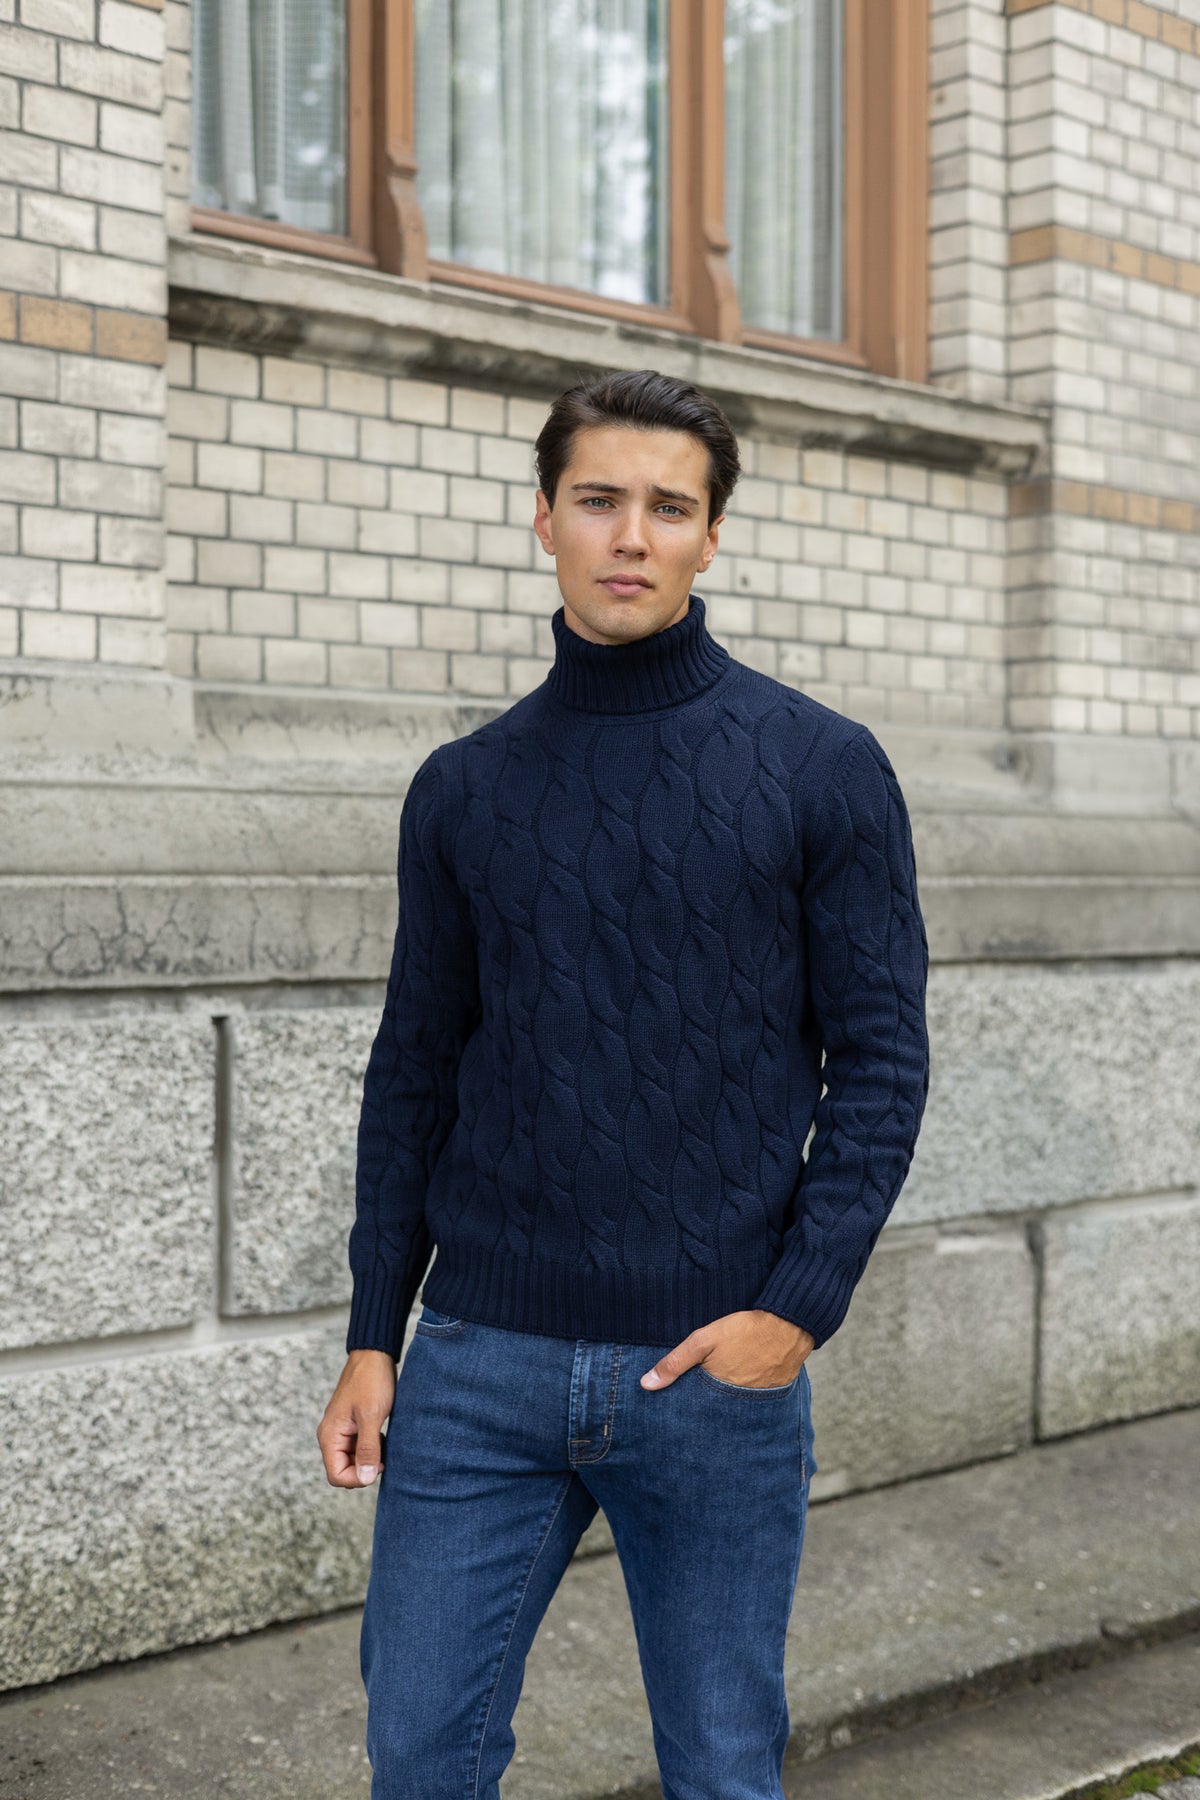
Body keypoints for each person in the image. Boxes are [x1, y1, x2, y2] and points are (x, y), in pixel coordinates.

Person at [317, 367, 930, 1799]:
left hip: (709, 1370)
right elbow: (414, 1071)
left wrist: (795, 1311)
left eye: (670, 507)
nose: (632, 536)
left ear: (712, 535)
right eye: (599, 500)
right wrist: (372, 1334)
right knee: (419, 1756)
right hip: (479, 1363)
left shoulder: (823, 768)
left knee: (720, 1767)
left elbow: (883, 1061)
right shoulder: (463, 788)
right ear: (544, 518)